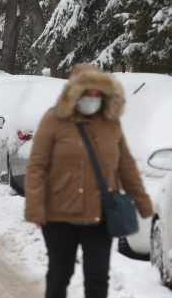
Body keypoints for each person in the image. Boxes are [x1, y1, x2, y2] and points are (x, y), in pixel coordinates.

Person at [25, 64, 153, 298]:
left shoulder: (110, 122)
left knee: (97, 278)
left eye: (98, 92)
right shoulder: (54, 119)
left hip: (100, 216)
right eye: (87, 92)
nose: (93, 97)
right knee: (60, 274)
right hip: (59, 215)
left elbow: (126, 166)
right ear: (74, 91)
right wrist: (35, 207)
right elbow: (36, 166)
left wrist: (143, 203)